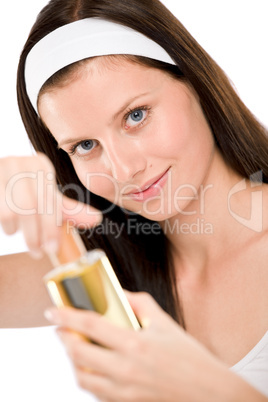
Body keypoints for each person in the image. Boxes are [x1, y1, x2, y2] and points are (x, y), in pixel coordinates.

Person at [0, 0, 267, 400]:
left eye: (136, 115)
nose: (123, 170)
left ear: (196, 82)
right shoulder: (100, 272)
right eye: (85, 145)